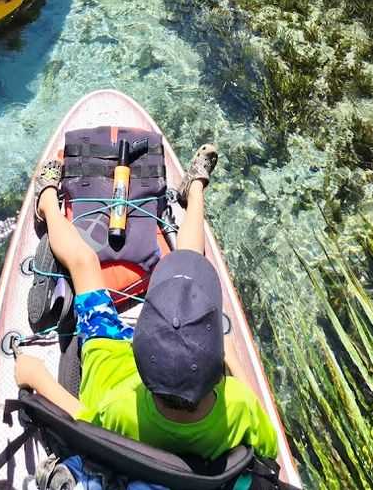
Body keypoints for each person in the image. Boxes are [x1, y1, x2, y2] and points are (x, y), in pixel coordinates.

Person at [15, 145, 278, 463]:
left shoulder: (124, 409)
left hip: (107, 353)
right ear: (215, 371)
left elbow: (84, 420)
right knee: (188, 263)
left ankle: (46, 202)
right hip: (152, 370)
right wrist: (234, 362)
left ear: (139, 345)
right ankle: (193, 191)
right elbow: (268, 448)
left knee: (84, 262)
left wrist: (38, 377)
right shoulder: (238, 405)